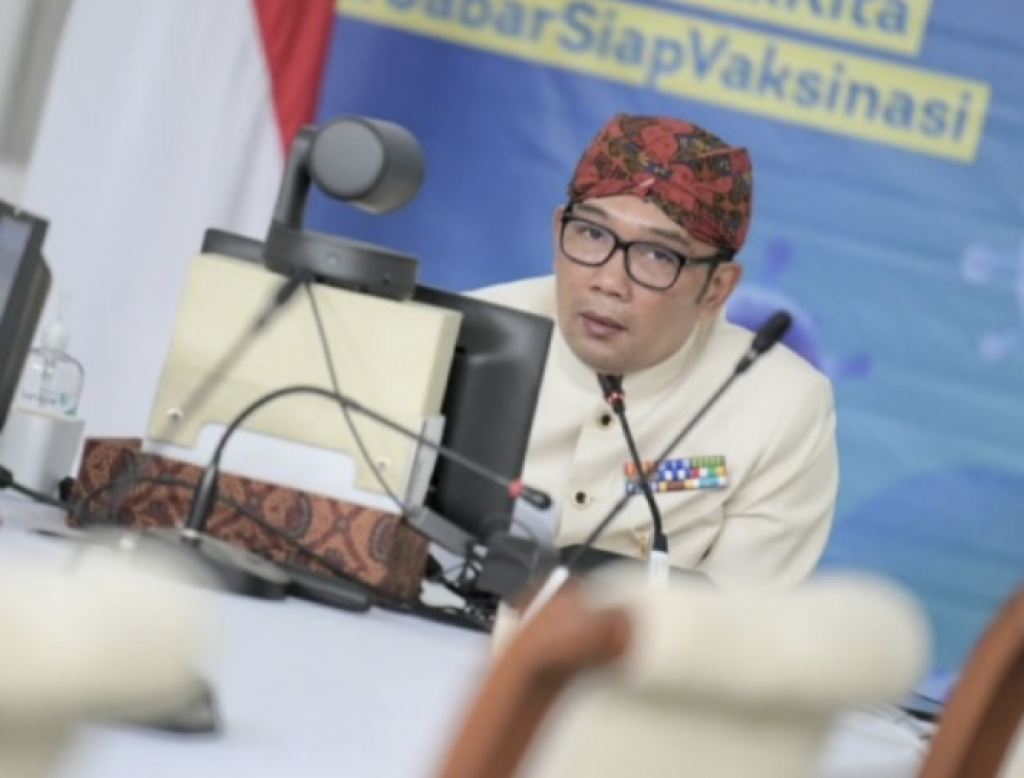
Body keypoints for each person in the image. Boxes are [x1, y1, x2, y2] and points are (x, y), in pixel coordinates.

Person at [473, 113, 838, 593]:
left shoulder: (782, 407)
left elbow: (741, 618)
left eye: (657, 256)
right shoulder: (468, 329)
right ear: (558, 233)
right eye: (592, 234)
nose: (609, 281)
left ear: (716, 289)